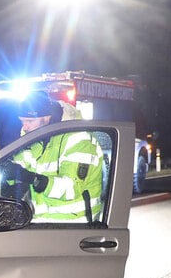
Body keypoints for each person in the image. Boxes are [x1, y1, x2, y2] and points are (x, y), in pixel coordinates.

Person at [7, 91, 105, 222]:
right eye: (22, 121)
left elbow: (71, 188)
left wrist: (33, 179)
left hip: (75, 226)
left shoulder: (79, 139)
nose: (25, 127)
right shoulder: (34, 139)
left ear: (48, 117)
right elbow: (17, 168)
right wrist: (6, 176)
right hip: (42, 224)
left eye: (30, 121)